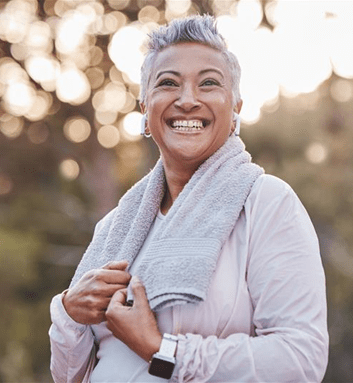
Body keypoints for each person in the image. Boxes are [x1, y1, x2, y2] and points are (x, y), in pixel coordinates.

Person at [49, 15, 328, 382]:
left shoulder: (266, 203)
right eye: (168, 84)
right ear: (146, 111)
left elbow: (300, 359)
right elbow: (71, 376)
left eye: (209, 83)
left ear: (235, 111)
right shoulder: (115, 228)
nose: (187, 100)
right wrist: (68, 312)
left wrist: (163, 350)